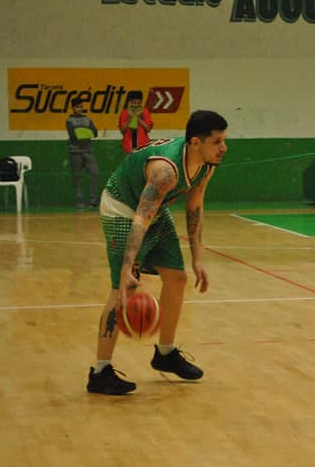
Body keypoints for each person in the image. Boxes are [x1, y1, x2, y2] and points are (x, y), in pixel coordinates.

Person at [87, 109, 229, 395]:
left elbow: (195, 206)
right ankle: (100, 372)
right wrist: (127, 266)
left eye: (224, 140)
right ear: (195, 142)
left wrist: (197, 258)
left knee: (177, 277)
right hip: (122, 208)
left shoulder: (206, 163)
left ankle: (165, 353)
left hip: (152, 209)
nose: (223, 147)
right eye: (217, 141)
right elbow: (141, 218)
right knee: (123, 289)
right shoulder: (165, 172)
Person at [65, 97, 100, 208]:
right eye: (77, 107)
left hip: (88, 151)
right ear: (73, 108)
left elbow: (95, 133)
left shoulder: (88, 119)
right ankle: (79, 200)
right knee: (77, 177)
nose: (79, 109)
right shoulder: (69, 121)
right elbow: (73, 136)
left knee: (95, 173)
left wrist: (80, 132)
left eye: (81, 106)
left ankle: (93, 200)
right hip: (75, 152)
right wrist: (86, 132)